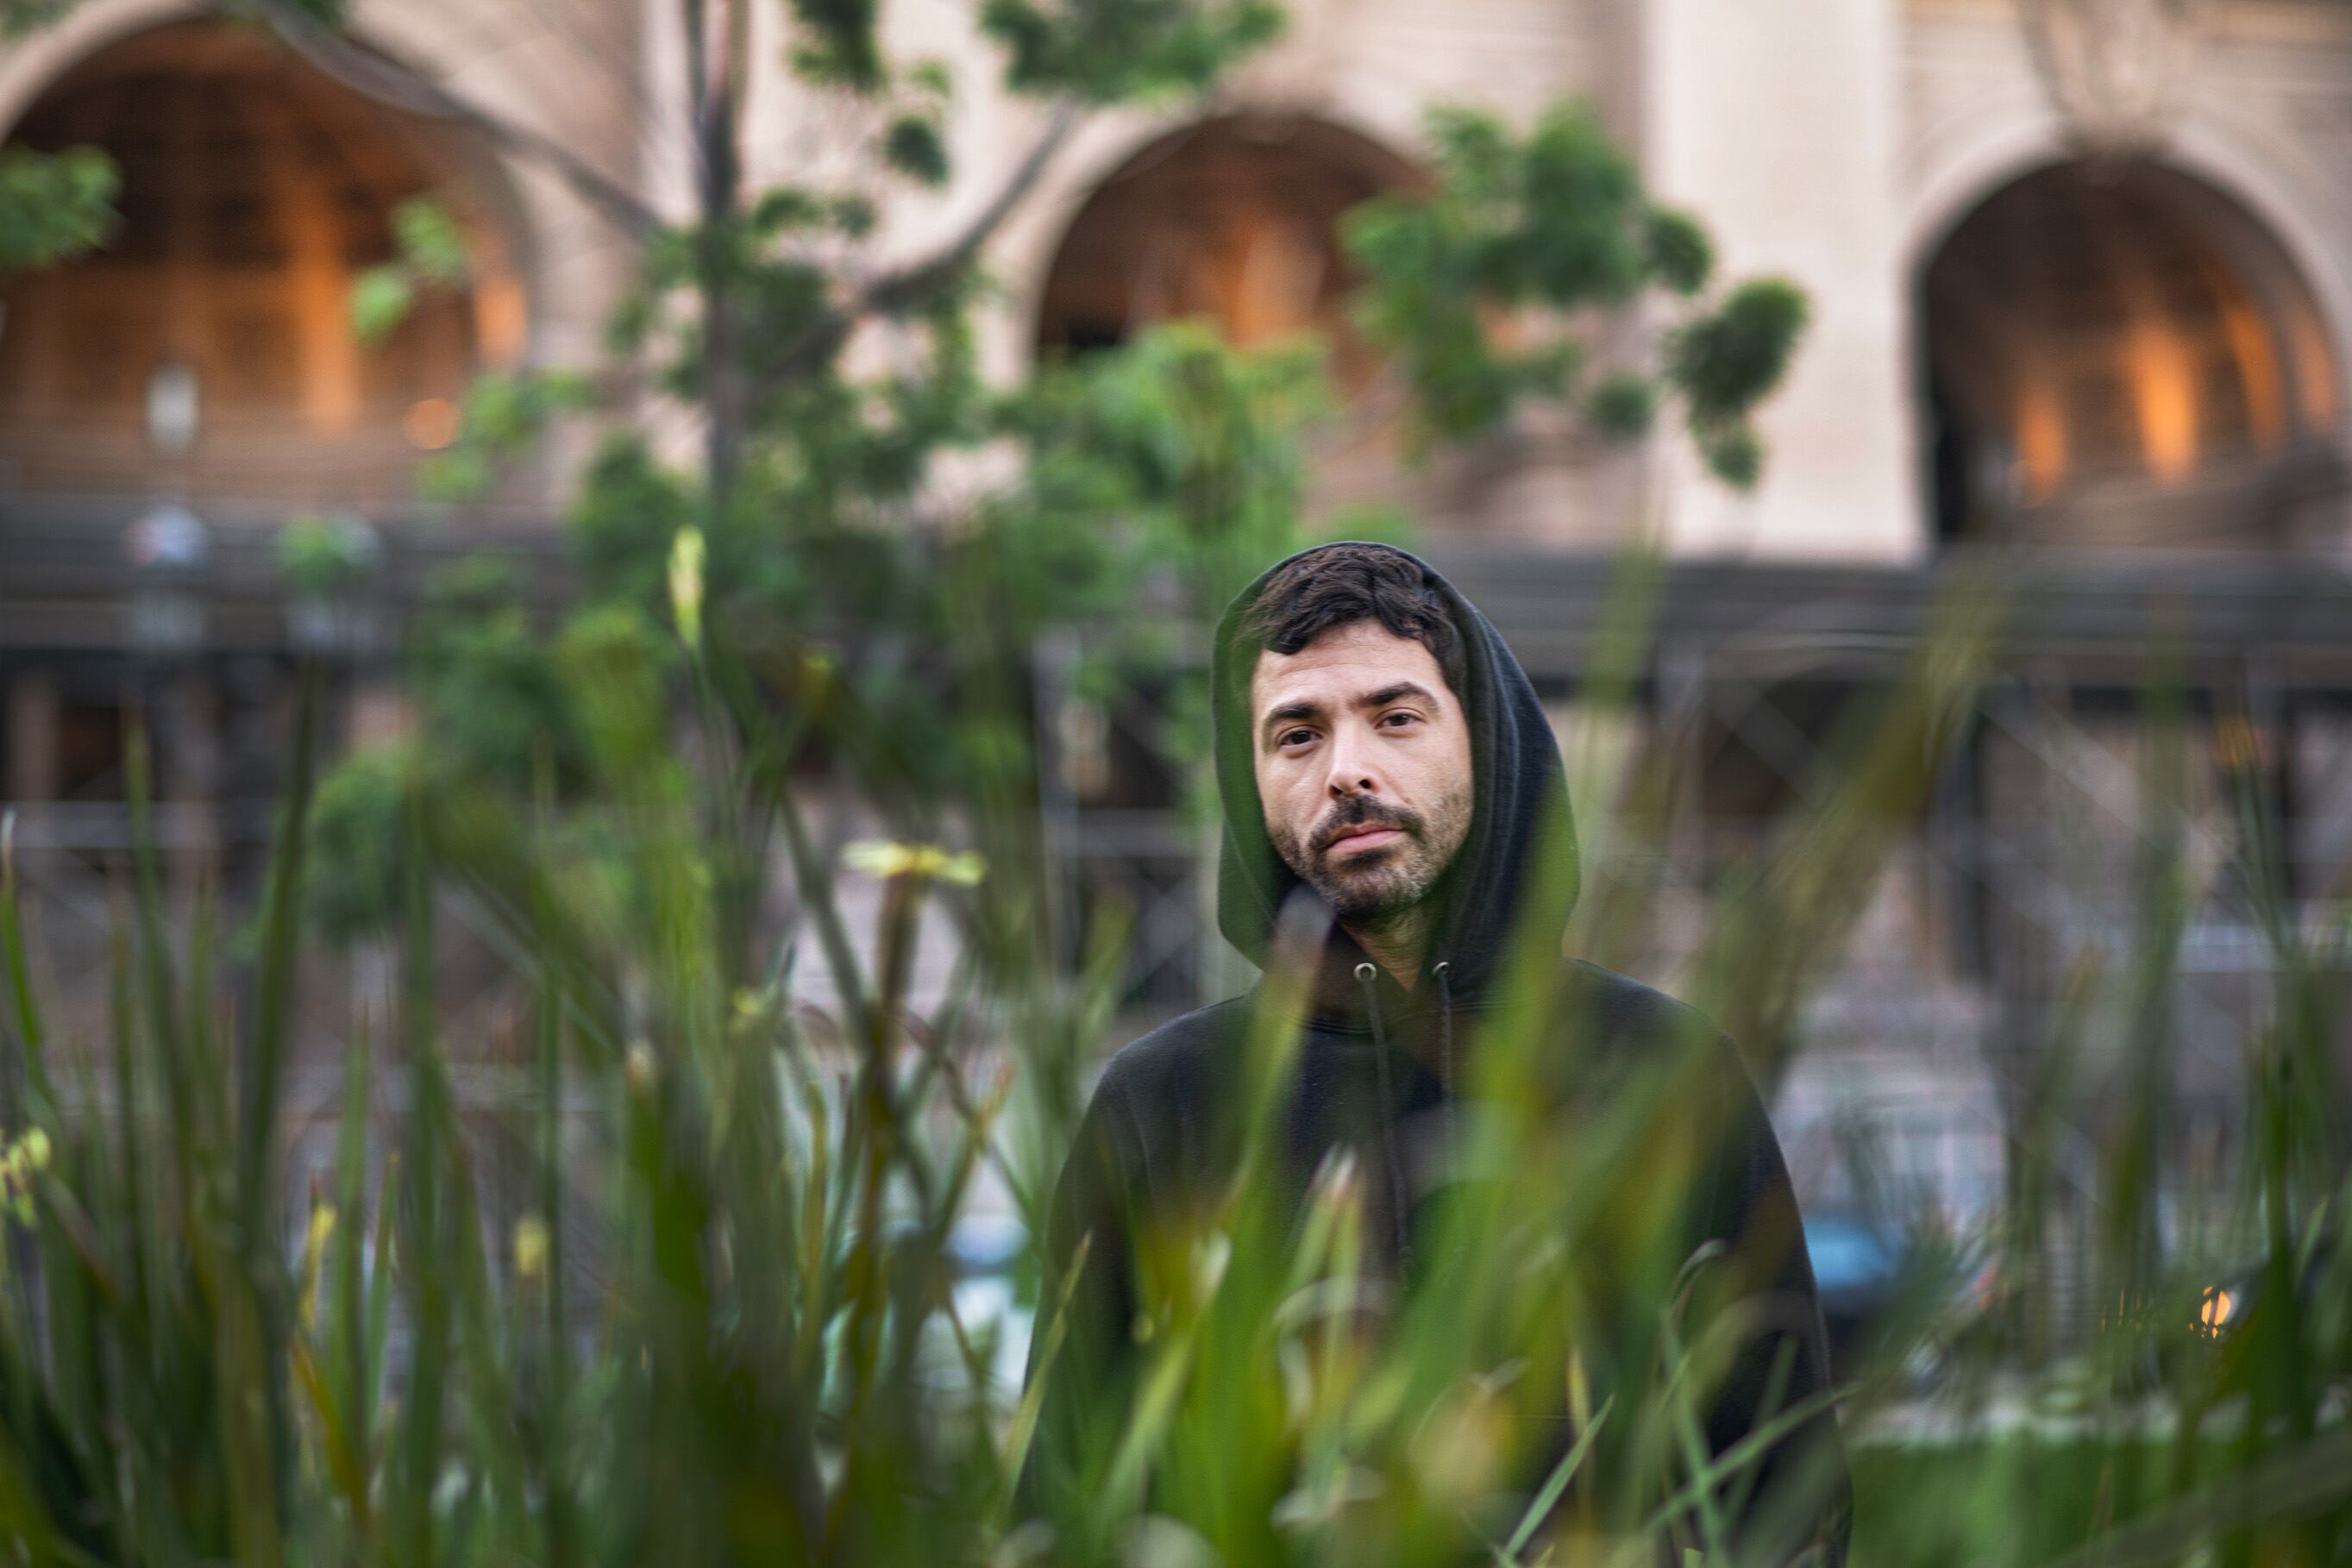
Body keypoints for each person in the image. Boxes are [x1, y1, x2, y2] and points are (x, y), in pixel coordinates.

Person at [1017, 542, 1850, 1565]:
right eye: (1295, 735)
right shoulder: (1163, 1101)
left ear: (1483, 744)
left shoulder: (1663, 1069)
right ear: (1253, 784)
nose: (1347, 769)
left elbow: (1787, 1491)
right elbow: (1069, 1507)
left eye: (1396, 717)